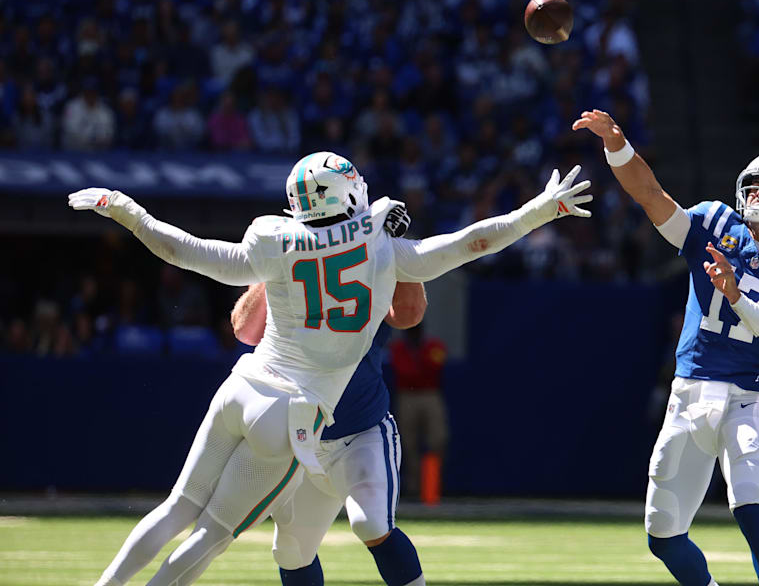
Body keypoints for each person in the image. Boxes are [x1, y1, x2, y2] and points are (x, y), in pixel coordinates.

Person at [69, 150, 592, 586]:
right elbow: (469, 244)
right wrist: (537, 212)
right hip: (293, 412)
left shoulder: (276, 240)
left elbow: (190, 252)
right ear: (349, 192)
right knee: (212, 533)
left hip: (244, 384)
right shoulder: (381, 245)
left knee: (178, 508)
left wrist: (126, 211)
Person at [574, 110, 759, 586]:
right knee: (663, 533)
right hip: (688, 392)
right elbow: (651, 196)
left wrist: (736, 295)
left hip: (746, 398)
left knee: (751, 511)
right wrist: (617, 144)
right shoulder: (714, 224)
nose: (757, 194)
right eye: (754, 185)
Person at [232, 280, 430, 586]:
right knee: (291, 551)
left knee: (371, 523)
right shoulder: (285, 244)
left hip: (360, 432)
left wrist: (398, 249)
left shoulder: (371, 243)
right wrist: (272, 270)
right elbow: (246, 331)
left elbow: (409, 315)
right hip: (303, 440)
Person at [388, 323, 449, 498]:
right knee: (407, 442)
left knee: (438, 438)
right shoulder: (399, 348)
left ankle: (433, 485)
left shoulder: (434, 346)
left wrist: (418, 368)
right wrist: (418, 369)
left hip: (430, 394)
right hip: (407, 395)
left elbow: (435, 366)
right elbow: (403, 371)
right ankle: (414, 487)